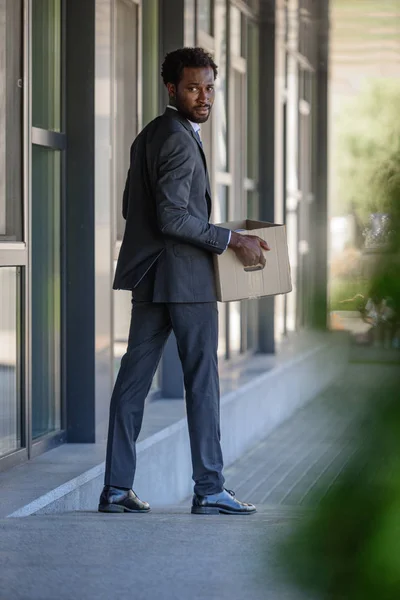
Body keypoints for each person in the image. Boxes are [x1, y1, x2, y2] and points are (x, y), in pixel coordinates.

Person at [98, 47, 269, 516]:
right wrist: (231, 238)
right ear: (172, 88)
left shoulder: (150, 134)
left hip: (152, 277)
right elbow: (174, 216)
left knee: (132, 383)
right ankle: (210, 489)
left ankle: (115, 489)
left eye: (210, 87)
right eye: (193, 87)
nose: (204, 97)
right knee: (202, 383)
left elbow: (135, 209)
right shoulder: (177, 138)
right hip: (185, 281)